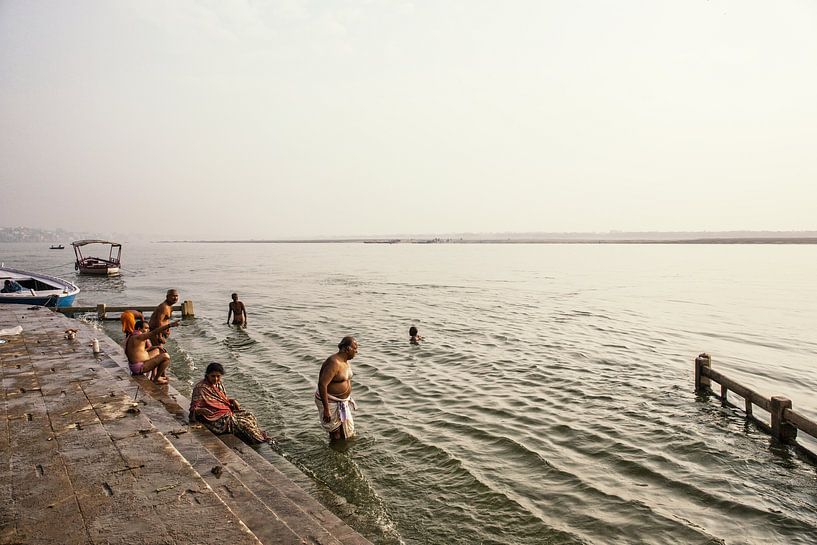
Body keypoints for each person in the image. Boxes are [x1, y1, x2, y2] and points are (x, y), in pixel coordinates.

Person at [189, 362, 270, 444]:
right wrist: (201, 410)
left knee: (249, 415)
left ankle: (260, 436)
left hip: (224, 412)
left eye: (218, 376)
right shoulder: (200, 388)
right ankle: (259, 441)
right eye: (213, 376)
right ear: (207, 375)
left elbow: (222, 400)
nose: (216, 379)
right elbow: (193, 408)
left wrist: (232, 400)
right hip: (213, 419)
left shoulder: (219, 384)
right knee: (244, 424)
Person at [315, 336, 358, 441]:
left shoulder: (345, 361)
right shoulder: (334, 363)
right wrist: (326, 409)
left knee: (345, 433)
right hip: (329, 401)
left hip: (341, 402)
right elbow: (322, 384)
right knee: (335, 434)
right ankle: (333, 455)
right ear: (347, 349)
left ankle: (342, 453)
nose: (356, 352)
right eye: (355, 348)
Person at [124, 318, 179, 384]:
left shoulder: (132, 336)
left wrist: (156, 347)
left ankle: (155, 375)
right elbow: (154, 332)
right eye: (146, 328)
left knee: (158, 350)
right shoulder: (139, 337)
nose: (148, 330)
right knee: (166, 357)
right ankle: (156, 379)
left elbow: (139, 351)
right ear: (139, 329)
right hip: (139, 367)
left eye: (148, 328)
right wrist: (170, 325)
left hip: (135, 365)